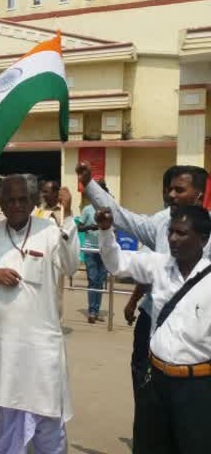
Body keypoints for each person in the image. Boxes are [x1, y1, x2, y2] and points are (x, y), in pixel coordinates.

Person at [76, 161, 209, 397]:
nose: (171, 195)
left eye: (179, 190)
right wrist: (89, 185)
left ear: (199, 195)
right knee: (145, 386)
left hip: (197, 332)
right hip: (154, 317)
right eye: (170, 189)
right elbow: (122, 219)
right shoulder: (161, 223)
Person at [0, 174, 79, 454]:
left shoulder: (50, 230)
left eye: (23, 200)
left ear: (34, 202)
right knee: (7, 420)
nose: (17, 205)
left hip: (43, 347)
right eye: (10, 200)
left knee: (48, 422)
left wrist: (67, 216)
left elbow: (71, 266)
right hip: (7, 348)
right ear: (2, 203)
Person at [96, 205, 211, 453]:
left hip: (197, 389)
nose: (172, 239)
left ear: (203, 239)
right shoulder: (157, 265)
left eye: (181, 233)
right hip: (155, 381)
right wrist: (106, 231)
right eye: (171, 232)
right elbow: (116, 264)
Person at [78, 179, 110, 324]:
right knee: (92, 280)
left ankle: (96, 311)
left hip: (104, 250)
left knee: (100, 281)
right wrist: (90, 227)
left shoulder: (109, 209)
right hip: (90, 249)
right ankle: (91, 311)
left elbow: (114, 228)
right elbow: (79, 228)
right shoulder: (87, 210)